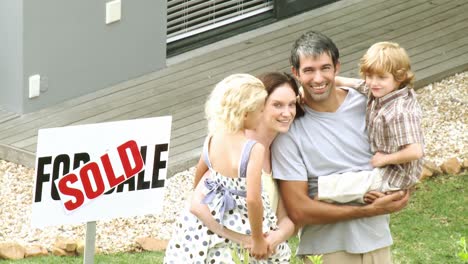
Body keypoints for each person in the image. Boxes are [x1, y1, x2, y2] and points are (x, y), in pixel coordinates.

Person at [271, 31, 410, 264]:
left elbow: (404, 164)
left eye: (325, 68)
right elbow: (299, 210)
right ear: (295, 73)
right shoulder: (288, 129)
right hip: (327, 252)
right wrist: (368, 209)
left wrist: (399, 192)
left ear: (337, 67)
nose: (318, 78)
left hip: (378, 243)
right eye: (308, 70)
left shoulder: (370, 105)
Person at [164, 73, 292, 263]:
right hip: (244, 222)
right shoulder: (253, 149)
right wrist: (257, 239)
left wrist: (212, 196)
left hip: (211, 221)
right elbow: (253, 198)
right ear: (245, 112)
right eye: (259, 110)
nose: (262, 114)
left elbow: (199, 175)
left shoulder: (212, 138)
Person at [317, 41, 424, 204]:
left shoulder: (400, 111)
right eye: (369, 76)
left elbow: (415, 151)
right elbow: (352, 83)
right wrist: (327, 81)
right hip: (383, 168)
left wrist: (384, 159)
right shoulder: (381, 90)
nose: (373, 82)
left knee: (324, 192)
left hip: (393, 176)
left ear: (400, 77)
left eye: (381, 77)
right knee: (336, 185)